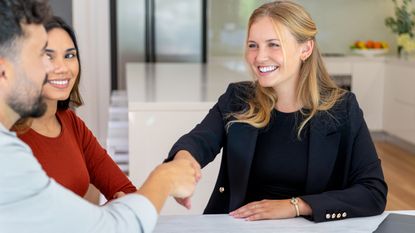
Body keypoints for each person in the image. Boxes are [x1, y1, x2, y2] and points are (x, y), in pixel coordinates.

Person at [167, 0, 387, 222]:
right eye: (253, 45)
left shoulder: (342, 108)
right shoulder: (238, 98)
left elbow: (373, 191)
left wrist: (296, 206)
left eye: (274, 44)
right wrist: (181, 164)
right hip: (240, 227)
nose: (260, 57)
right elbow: (199, 141)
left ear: (306, 49)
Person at [0, 0, 199, 232]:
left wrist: (106, 215)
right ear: (4, 71)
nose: (53, 68)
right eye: (41, 56)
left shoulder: (68, 124)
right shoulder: (10, 156)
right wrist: (164, 179)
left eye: (69, 55)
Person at [12, 16, 135, 201]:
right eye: (48, 56)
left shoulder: (71, 123)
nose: (62, 68)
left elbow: (126, 191)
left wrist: (123, 206)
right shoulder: (9, 135)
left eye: (69, 55)